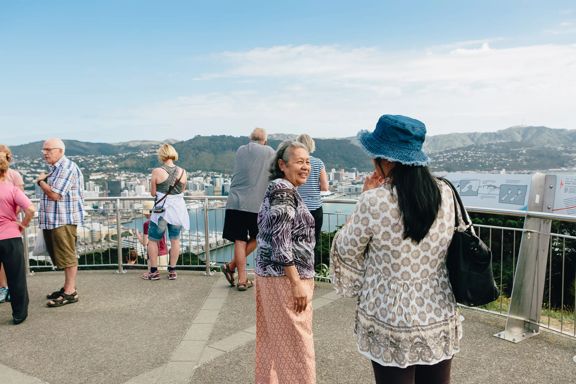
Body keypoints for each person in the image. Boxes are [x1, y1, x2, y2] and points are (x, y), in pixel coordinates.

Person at [330, 115, 462, 384]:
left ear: (387, 159)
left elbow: (346, 248)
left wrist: (362, 200)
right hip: (437, 307)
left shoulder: (374, 200)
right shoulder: (445, 193)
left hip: (389, 312)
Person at [255, 140, 316, 384]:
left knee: (272, 341)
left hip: (271, 276)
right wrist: (296, 283)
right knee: (297, 346)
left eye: (308, 162)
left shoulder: (281, 188)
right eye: (299, 161)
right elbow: (281, 239)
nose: (306, 167)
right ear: (282, 165)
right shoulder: (283, 190)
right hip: (284, 279)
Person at [221, 128, 275, 291]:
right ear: (265, 140)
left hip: (236, 202)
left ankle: (240, 277)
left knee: (239, 239)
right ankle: (232, 269)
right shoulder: (270, 152)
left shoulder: (241, 150)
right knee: (260, 237)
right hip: (256, 204)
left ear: (250, 139)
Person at [36, 138, 85, 307]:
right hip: (55, 220)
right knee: (62, 256)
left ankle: (70, 292)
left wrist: (40, 181)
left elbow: (55, 195)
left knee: (67, 255)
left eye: (49, 149)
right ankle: (67, 287)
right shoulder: (55, 169)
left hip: (63, 220)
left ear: (60, 151)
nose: (45, 153)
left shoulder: (66, 168)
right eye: (44, 149)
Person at [0, 153, 35, 324]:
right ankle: (19, 314)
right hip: (10, 238)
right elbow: (30, 210)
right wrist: (23, 224)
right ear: (6, 172)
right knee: (16, 277)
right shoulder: (12, 189)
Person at [146, 144, 188, 280]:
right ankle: (172, 270)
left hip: (161, 212)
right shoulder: (183, 172)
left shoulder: (157, 171)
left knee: (153, 241)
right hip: (177, 211)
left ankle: (154, 271)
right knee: (175, 240)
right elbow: (182, 191)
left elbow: (153, 193)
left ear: (162, 155)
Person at [295, 134, 329, 264]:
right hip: (315, 208)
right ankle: (310, 275)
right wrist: (314, 185)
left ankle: (297, 274)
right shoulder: (318, 162)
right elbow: (325, 187)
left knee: (297, 241)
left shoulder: (295, 163)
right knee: (314, 242)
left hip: (299, 207)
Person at [0, 144, 25, 304]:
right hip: (9, 225)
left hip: (9, 224)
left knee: (12, 263)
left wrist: (9, 217)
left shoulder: (15, 176)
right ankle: (3, 287)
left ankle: (9, 289)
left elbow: (20, 200)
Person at [136, 200, 169, 278]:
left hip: (153, 256)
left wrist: (138, 235)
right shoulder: (162, 220)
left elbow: (145, 243)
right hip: (165, 254)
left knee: (153, 276)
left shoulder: (147, 224)